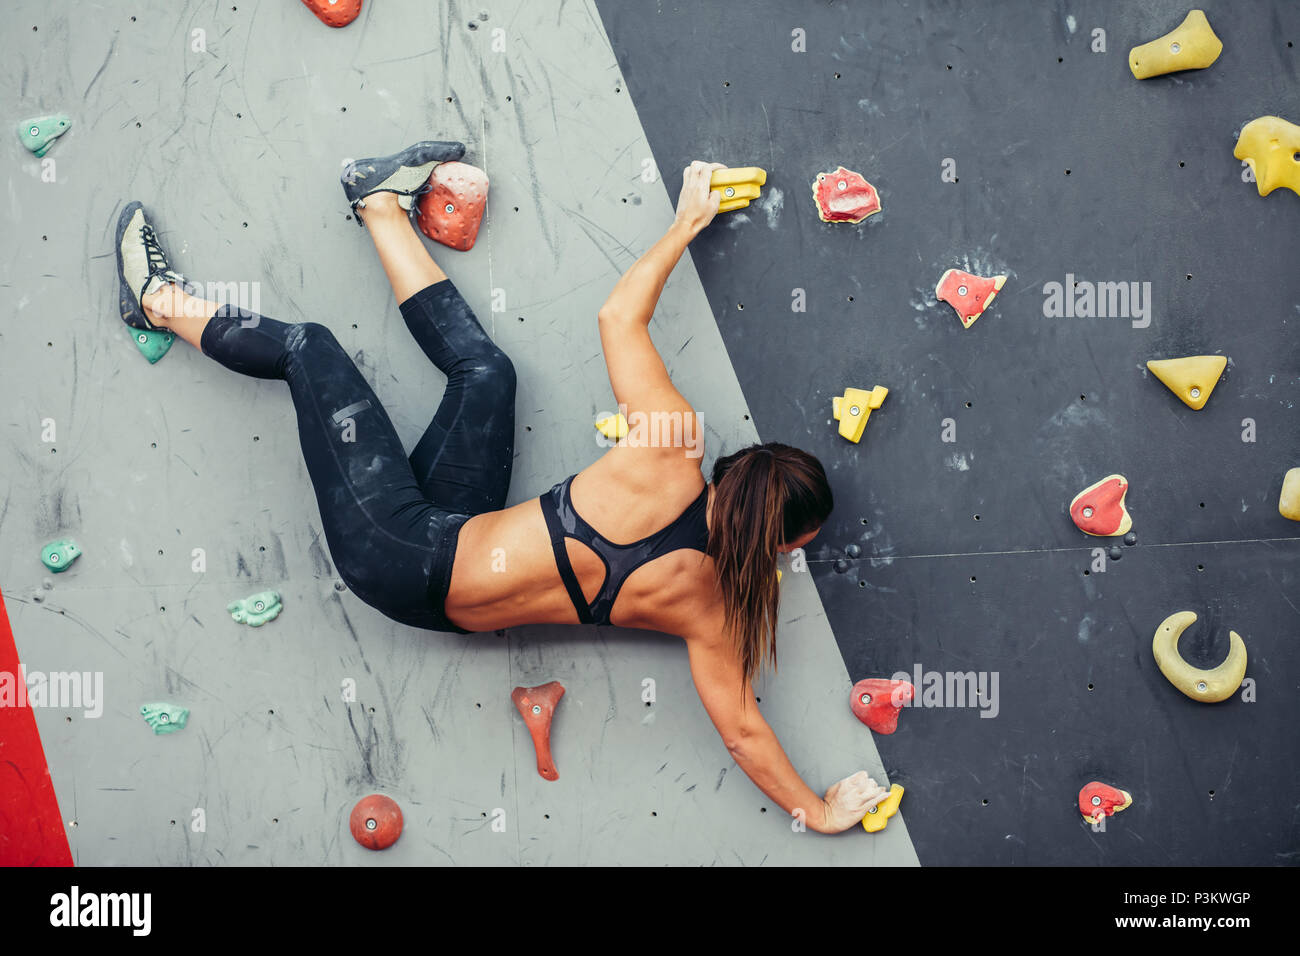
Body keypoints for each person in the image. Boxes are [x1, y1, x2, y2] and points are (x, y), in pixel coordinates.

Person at [113, 143, 890, 834]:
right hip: (453, 546)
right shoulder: (714, 608)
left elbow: (620, 317)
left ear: (741, 467)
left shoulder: (671, 443)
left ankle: (152, 299)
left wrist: (687, 221)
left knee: (309, 349)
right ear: (778, 541)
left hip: (393, 550)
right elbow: (745, 731)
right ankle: (377, 199)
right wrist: (817, 812)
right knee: (487, 374)